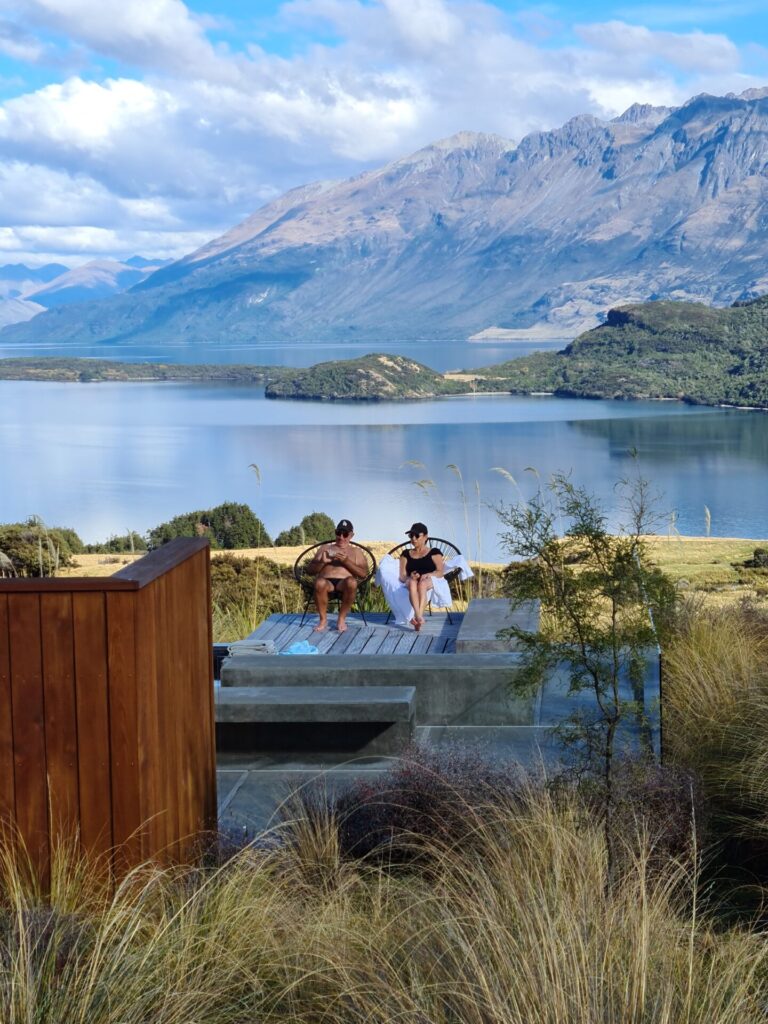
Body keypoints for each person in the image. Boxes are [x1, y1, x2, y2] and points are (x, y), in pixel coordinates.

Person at [306, 518, 367, 633]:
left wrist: (346, 561)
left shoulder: (356, 552)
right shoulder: (324, 548)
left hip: (344, 583)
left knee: (352, 582)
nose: (341, 537)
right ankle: (323, 620)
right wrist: (323, 562)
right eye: (339, 533)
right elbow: (309, 571)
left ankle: (341, 619)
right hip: (325, 582)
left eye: (345, 534)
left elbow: (363, 574)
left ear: (351, 535)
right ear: (335, 532)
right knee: (319, 583)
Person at [399, 522, 445, 631]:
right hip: (412, 580)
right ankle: (419, 617)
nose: (413, 539)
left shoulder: (434, 552)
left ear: (425, 537)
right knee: (412, 582)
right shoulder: (405, 553)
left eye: (417, 536)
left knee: (422, 584)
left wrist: (429, 574)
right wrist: (410, 576)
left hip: (428, 579)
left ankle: (417, 616)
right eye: (411, 536)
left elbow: (440, 572)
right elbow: (402, 575)